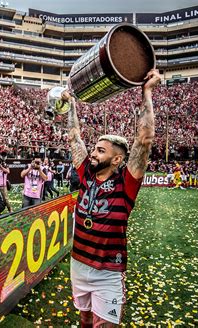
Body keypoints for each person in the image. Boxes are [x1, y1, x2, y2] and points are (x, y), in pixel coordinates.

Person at [67, 69, 161, 326]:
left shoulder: (125, 184)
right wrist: (72, 105)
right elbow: (75, 136)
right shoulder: (86, 173)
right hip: (78, 263)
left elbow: (144, 139)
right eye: (94, 149)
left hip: (108, 271)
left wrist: (147, 92)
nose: (92, 154)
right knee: (84, 320)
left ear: (117, 159)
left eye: (99, 150)